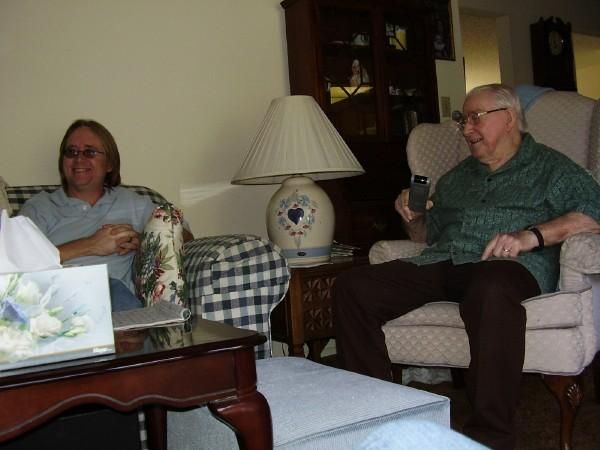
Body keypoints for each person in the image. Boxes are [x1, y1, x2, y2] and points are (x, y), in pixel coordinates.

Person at [332, 84, 600, 450]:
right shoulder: (456, 178)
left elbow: (594, 212)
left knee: (489, 289)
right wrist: (413, 217)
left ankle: (491, 437)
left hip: (510, 266)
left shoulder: (552, 168)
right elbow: (427, 236)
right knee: (353, 287)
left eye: (475, 118)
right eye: (463, 120)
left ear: (508, 118)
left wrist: (531, 236)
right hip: (445, 260)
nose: (466, 129)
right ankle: (378, 418)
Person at [20, 119, 156, 311]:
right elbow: (18, 265)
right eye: (71, 152)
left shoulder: (133, 203)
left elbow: (181, 236)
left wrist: (144, 241)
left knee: (113, 289)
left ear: (109, 163)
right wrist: (91, 245)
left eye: (89, 152)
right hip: (57, 301)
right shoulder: (39, 208)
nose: (79, 159)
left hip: (116, 301)